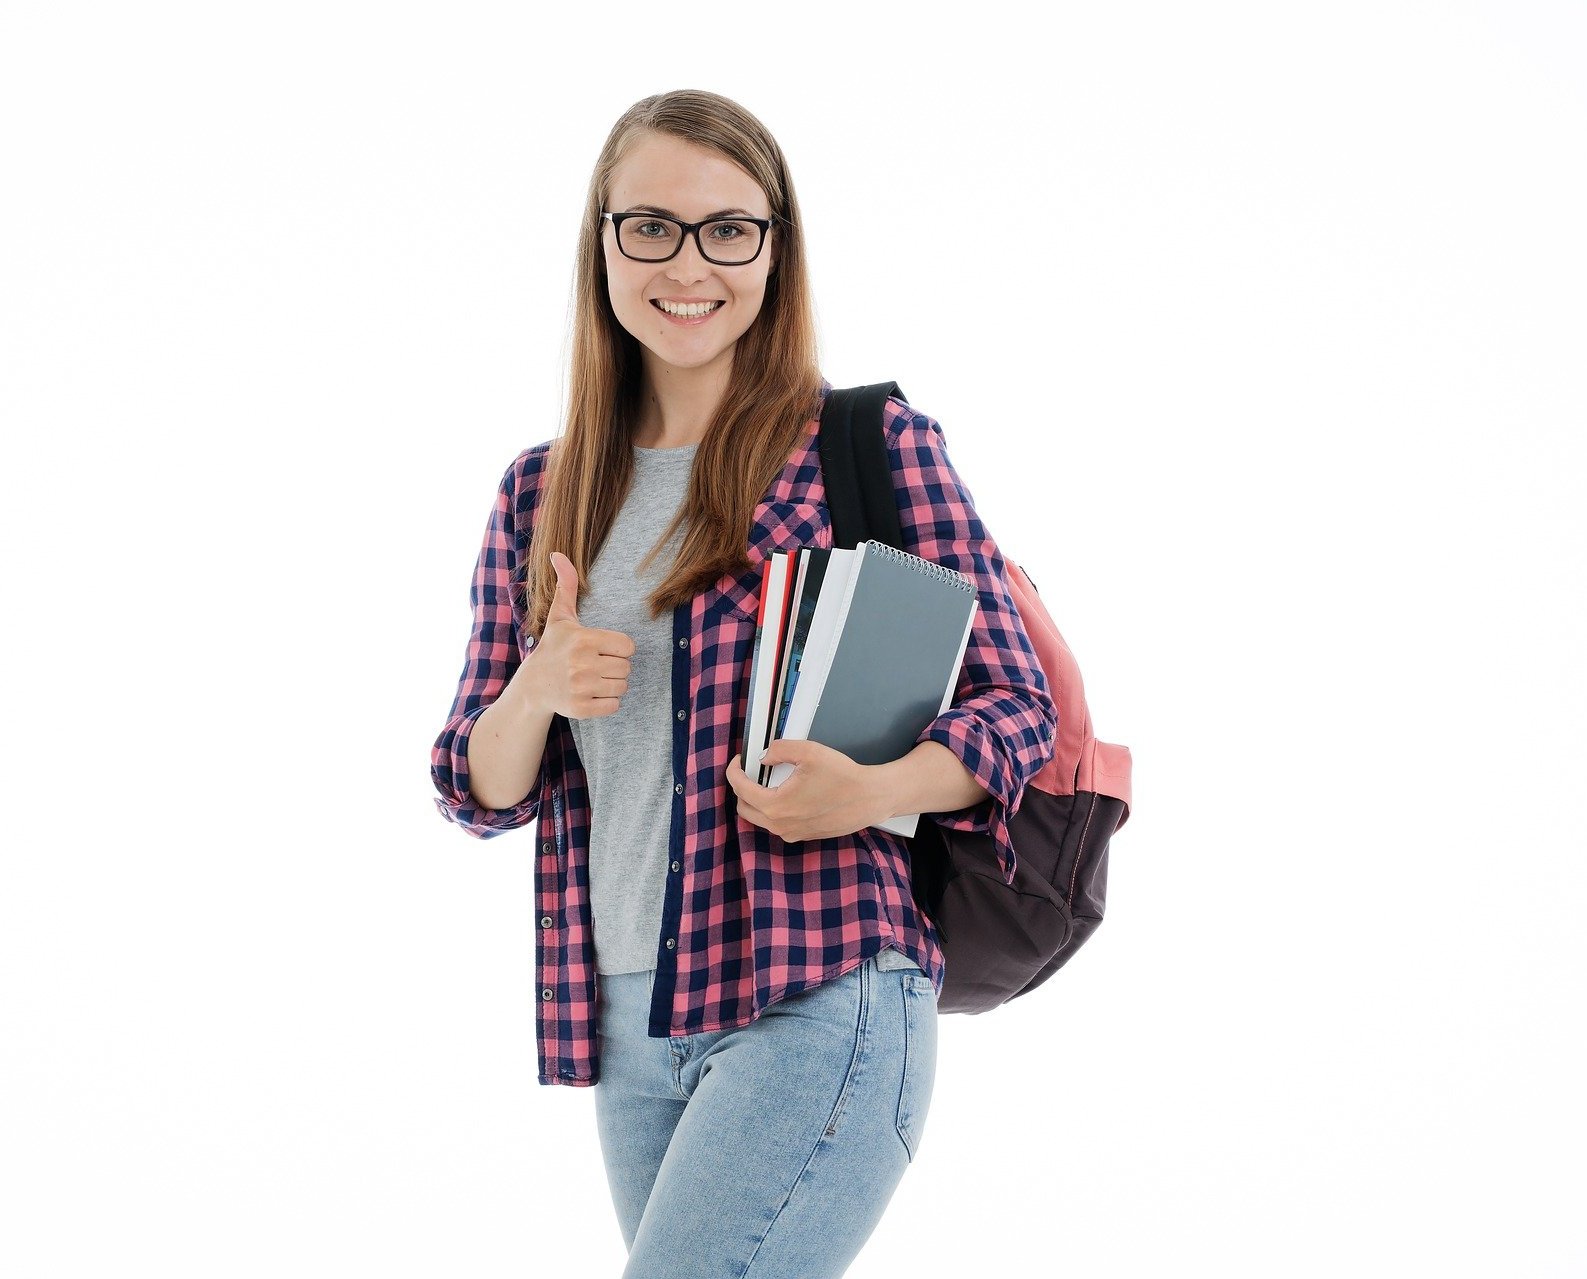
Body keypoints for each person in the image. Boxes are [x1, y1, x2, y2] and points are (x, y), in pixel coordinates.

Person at [430, 89, 1057, 1276]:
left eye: (730, 229)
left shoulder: (864, 447)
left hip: (818, 984)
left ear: (775, 248)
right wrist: (537, 687)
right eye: (652, 226)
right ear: (602, 241)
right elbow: (477, 786)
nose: (691, 264)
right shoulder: (541, 490)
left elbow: (1018, 708)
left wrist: (869, 791)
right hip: (623, 1014)